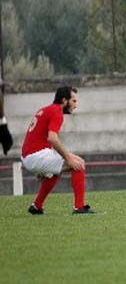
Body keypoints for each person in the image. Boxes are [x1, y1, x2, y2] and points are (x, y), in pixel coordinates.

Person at [20, 86, 94, 214]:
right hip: (36, 156)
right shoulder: (56, 112)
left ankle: (37, 206)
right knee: (78, 164)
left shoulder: (46, 109)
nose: (75, 105)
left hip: (29, 156)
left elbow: (43, 139)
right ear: (64, 101)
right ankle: (79, 207)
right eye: (74, 101)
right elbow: (52, 138)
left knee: (57, 170)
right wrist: (68, 158)